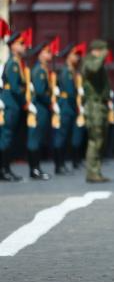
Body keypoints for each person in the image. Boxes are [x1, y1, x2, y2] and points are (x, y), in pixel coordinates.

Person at [1, 27, 31, 181]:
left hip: (13, 104)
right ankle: (4, 170)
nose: (24, 46)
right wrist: (25, 102)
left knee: (9, 137)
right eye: (21, 43)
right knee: (6, 137)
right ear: (12, 46)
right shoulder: (13, 64)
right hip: (11, 103)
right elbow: (15, 87)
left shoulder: (18, 63)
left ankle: (6, 169)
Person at [27, 37, 58, 180]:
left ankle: (36, 168)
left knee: (38, 139)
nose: (50, 55)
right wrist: (50, 100)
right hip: (39, 108)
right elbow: (40, 91)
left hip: (43, 108)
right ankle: (34, 170)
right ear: (39, 54)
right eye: (47, 52)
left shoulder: (44, 69)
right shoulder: (39, 71)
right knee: (35, 139)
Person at [82, 39, 113, 183]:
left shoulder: (98, 63)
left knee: (101, 140)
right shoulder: (89, 61)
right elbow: (93, 69)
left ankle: (96, 171)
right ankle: (92, 172)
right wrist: (102, 56)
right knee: (95, 139)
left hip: (101, 105)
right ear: (96, 50)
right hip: (93, 105)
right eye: (103, 51)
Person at [54, 42, 85, 174]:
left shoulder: (73, 71)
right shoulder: (67, 72)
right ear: (68, 56)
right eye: (74, 54)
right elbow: (70, 91)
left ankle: (63, 164)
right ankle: (59, 165)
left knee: (66, 136)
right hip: (66, 105)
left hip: (70, 106)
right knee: (61, 135)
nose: (77, 57)